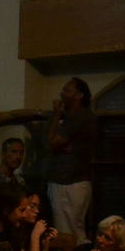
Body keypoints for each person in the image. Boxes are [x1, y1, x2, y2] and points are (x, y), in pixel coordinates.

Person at [44, 78, 96, 240]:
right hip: (67, 180)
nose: (62, 93)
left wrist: (57, 114)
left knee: (69, 230)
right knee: (67, 228)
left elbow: (51, 144)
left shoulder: (80, 118)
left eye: (67, 90)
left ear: (79, 95)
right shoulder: (72, 117)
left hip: (70, 182)